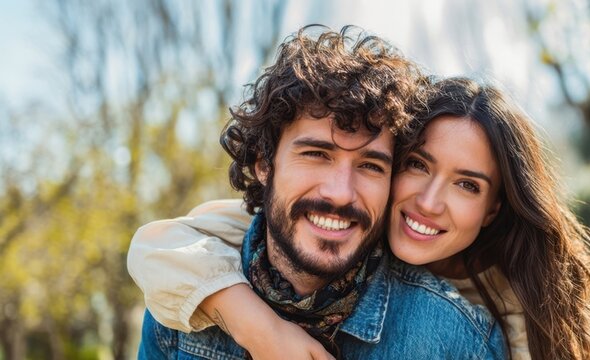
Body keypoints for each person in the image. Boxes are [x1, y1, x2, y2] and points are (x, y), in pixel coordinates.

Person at [131, 76, 590, 359]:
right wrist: (258, 325)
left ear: (494, 208)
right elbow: (165, 245)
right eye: (417, 165)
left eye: (467, 184)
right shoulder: (219, 271)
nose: (429, 202)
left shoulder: (484, 322)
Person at [131, 25, 508, 359]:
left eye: (370, 165)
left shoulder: (459, 341)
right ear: (264, 163)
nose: (341, 193)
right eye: (316, 155)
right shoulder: (181, 306)